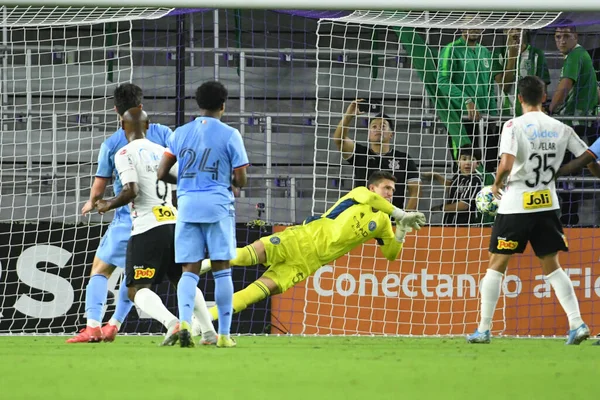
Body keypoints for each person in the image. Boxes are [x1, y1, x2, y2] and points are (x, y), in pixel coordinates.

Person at [200, 171, 426, 321]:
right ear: (373, 188)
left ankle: (203, 321)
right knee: (244, 257)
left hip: (308, 263)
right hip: (301, 238)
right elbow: (371, 201)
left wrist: (401, 229)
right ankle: (200, 265)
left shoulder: (384, 223)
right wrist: (400, 212)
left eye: (393, 191)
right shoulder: (360, 194)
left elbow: (391, 254)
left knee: (255, 293)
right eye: (386, 188)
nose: (390, 194)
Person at [467, 76, 590, 345]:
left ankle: (483, 329)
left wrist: (496, 183)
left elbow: (507, 162)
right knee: (553, 267)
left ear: (520, 98)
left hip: (516, 205)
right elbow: (587, 155)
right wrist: (562, 171)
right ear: (544, 97)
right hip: (547, 204)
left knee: (496, 265)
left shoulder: (513, 125)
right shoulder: (560, 127)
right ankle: (577, 323)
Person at [94, 108, 217, 346]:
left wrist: (107, 204)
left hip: (147, 228)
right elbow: (184, 184)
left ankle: (173, 323)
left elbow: (132, 190)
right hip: (175, 223)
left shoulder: (124, 152)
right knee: (182, 279)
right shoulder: (164, 152)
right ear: (149, 125)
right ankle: (210, 332)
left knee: (135, 289)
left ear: (122, 126)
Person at [67, 84, 176, 343]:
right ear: (142, 106)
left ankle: (93, 326)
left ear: (116, 110)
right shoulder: (163, 134)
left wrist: (93, 202)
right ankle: (115, 324)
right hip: (165, 216)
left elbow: (101, 183)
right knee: (136, 279)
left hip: (129, 216)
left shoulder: (114, 144)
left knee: (101, 270)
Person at [157, 81, 249, 348]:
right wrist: (226, 178)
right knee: (221, 269)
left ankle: (184, 322)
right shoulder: (231, 134)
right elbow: (241, 180)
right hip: (217, 206)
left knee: (189, 271)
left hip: (186, 206)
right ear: (223, 105)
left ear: (198, 104)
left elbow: (162, 172)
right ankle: (224, 336)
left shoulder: (179, 134)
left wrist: (186, 180)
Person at [437, 24, 510, 172]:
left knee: (489, 166)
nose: (474, 28)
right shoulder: (451, 49)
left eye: (478, 25)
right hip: (462, 119)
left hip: (485, 119)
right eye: (470, 24)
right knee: (464, 167)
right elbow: (442, 81)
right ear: (461, 27)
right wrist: (466, 100)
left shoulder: (484, 52)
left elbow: (490, 85)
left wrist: (493, 115)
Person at [548, 23, 599, 225]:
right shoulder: (581, 56)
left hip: (576, 122)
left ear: (575, 37)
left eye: (566, 36)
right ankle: (570, 215)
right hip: (586, 120)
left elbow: (564, 86)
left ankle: (567, 217)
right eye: (558, 37)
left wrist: (550, 109)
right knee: (579, 166)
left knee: (568, 167)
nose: (561, 40)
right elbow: (595, 90)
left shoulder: (575, 56)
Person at [332, 100, 421, 210]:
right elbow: (339, 140)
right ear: (369, 134)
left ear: (391, 134)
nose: (378, 129)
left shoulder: (403, 159)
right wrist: (349, 116)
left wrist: (404, 219)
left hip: (391, 219)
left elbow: (415, 192)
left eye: (383, 126)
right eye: (374, 127)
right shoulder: (360, 154)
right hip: (362, 218)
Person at [495, 29, 551, 117]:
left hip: (531, 114)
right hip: (505, 114)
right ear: (505, 31)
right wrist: (512, 58)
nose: (515, 32)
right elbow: (504, 87)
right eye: (511, 28)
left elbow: (543, 86)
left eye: (518, 29)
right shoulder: (498, 54)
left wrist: (543, 106)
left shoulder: (536, 54)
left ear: (524, 31)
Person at [425, 146, 483, 225]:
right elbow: (452, 188)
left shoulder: (475, 180)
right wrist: (436, 176)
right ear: (458, 161)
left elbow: (464, 205)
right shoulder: (458, 175)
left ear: (478, 164)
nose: (468, 163)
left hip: (465, 225)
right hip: (449, 222)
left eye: (472, 159)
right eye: (464, 159)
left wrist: (441, 208)